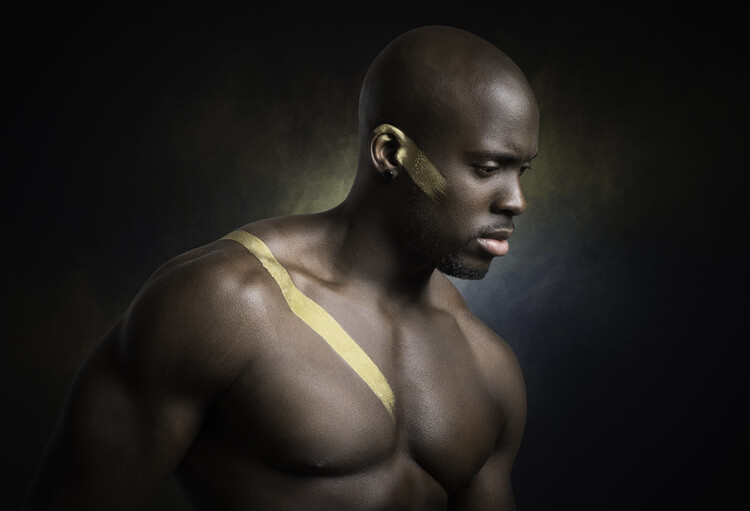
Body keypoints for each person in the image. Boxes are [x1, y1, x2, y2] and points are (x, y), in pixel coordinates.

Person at [25, 24, 539, 510]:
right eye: (487, 169)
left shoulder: (486, 364)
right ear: (390, 153)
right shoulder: (226, 304)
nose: (514, 200)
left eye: (522, 171)